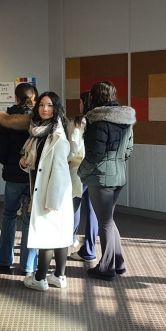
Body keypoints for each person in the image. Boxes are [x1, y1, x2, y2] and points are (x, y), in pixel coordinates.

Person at [78, 81, 136, 281]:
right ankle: (118, 263)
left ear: (94, 97)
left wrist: (81, 172)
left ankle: (106, 268)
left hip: (101, 178)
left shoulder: (98, 122)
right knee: (108, 220)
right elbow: (128, 150)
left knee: (104, 221)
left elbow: (94, 155)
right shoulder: (125, 120)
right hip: (119, 175)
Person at [20, 92, 74, 291]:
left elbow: (59, 171)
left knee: (47, 235)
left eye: (49, 105)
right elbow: (38, 164)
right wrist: (25, 163)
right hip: (45, 189)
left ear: (56, 108)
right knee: (59, 234)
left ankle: (40, 278)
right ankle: (59, 276)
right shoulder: (39, 132)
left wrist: (52, 201)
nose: (45, 109)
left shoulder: (58, 137)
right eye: (42, 105)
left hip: (52, 193)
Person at [0, 83, 38, 275]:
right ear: (33, 98)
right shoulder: (38, 120)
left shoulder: (5, 120)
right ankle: (28, 266)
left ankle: (4, 261)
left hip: (12, 175)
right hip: (33, 177)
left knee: (9, 216)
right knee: (29, 219)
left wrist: (9, 163)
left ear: (16, 98)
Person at [68, 91, 99, 262]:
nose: (79, 105)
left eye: (80, 102)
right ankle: (89, 249)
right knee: (92, 211)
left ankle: (69, 238)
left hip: (77, 169)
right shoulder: (99, 122)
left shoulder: (76, 122)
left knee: (74, 206)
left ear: (84, 103)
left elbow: (73, 147)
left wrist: (66, 161)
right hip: (95, 170)